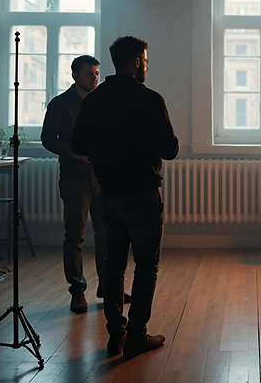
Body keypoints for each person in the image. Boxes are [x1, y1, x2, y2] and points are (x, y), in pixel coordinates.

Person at [71, 36, 179, 357]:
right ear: (135, 62)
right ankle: (136, 336)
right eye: (144, 60)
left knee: (113, 265)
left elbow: (78, 146)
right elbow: (169, 150)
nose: (146, 66)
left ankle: (115, 335)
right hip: (142, 195)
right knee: (146, 266)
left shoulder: (92, 100)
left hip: (108, 196)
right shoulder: (148, 99)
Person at [42, 55, 130, 314]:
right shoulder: (60, 104)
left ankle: (108, 286)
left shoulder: (101, 101)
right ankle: (77, 291)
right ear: (75, 76)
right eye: (89, 73)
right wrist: (74, 152)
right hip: (75, 179)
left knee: (106, 236)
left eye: (96, 72)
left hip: (103, 178)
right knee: (75, 237)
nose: (95, 77)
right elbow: (47, 138)